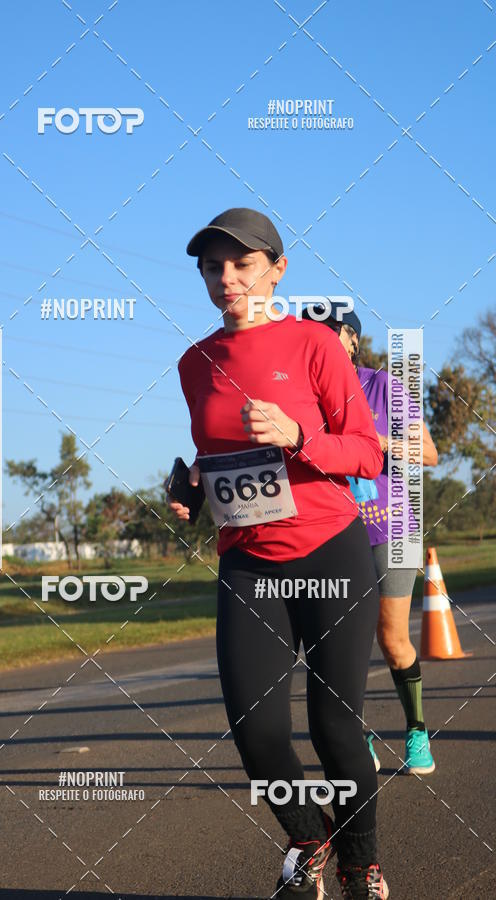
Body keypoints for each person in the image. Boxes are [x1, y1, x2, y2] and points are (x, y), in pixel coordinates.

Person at [168, 208, 389, 899]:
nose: (227, 278)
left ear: (277, 269)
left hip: (330, 550)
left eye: (242, 263)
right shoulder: (194, 361)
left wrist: (300, 435)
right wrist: (193, 489)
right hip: (247, 559)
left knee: (335, 727)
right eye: (213, 266)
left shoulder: (315, 345)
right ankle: (307, 836)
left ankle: (360, 863)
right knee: (255, 729)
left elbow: (369, 455)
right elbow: (217, 457)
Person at [302, 302, 439, 775]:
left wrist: (379, 443)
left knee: (393, 638)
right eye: (309, 334)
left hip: (394, 529)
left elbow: (429, 453)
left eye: (328, 332)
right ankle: (359, 736)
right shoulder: (303, 399)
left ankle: (417, 730)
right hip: (334, 535)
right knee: (343, 644)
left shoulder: (383, 387)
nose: (317, 341)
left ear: (351, 339)